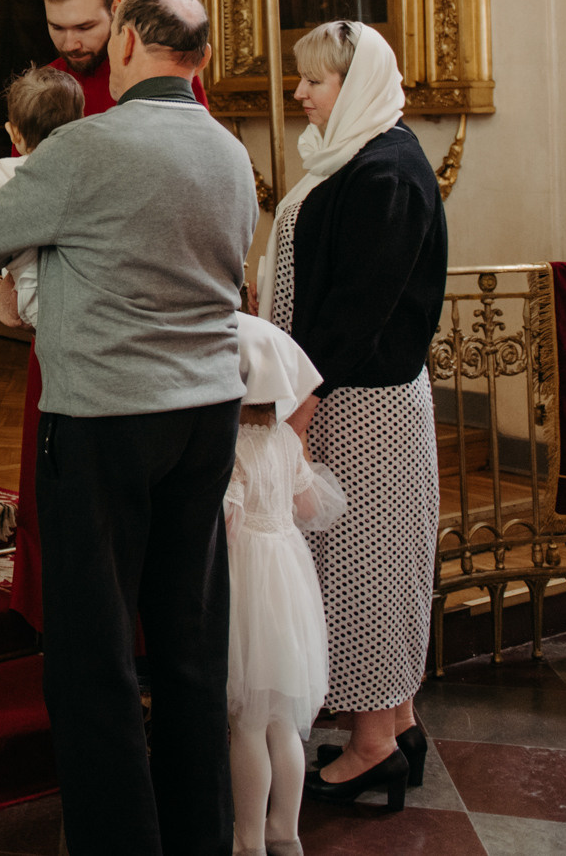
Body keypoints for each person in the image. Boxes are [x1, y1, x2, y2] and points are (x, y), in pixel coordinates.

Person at [0, 0, 254, 856]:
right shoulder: (230, 153)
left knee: (94, 653)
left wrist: (44, 254)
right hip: (206, 415)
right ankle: (199, 836)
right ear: (196, 57)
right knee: (190, 642)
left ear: (125, 43)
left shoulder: (87, 145)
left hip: (105, 416)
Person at [251, 21, 446, 810]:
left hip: (360, 407)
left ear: (356, 85)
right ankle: (395, 723)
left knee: (364, 568)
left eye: (315, 82)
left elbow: (356, 309)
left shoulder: (383, 172)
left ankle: (370, 748)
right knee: (380, 562)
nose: (300, 93)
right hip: (355, 399)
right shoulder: (361, 155)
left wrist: (294, 407)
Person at [8, 0, 210, 632]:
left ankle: (137, 623)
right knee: (52, 467)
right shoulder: (51, 86)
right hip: (65, 308)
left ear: (118, 14)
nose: (71, 43)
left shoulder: (162, 85)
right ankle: (51, 611)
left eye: (85, 27)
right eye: (58, 28)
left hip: (142, 312)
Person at [228, 313, 346, 855]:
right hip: (289, 578)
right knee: (281, 721)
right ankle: (286, 832)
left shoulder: (230, 448)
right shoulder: (283, 441)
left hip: (246, 581)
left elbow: (225, 522)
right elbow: (310, 504)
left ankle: (248, 839)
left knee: (246, 722)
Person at [0, 65, 86, 326]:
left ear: (13, 132)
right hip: (80, 293)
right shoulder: (85, 167)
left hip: (30, 297)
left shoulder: (9, 170)